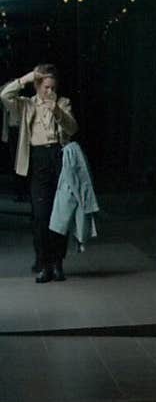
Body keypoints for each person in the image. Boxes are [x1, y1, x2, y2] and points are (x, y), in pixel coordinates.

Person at [1, 64, 78, 282]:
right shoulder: (26, 105)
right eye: (45, 87)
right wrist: (25, 78)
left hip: (58, 157)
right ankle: (43, 263)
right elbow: (4, 95)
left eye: (53, 87)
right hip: (37, 160)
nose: (49, 92)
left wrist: (56, 109)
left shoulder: (63, 103)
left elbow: (72, 128)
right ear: (37, 86)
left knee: (60, 213)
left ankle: (57, 263)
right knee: (41, 215)